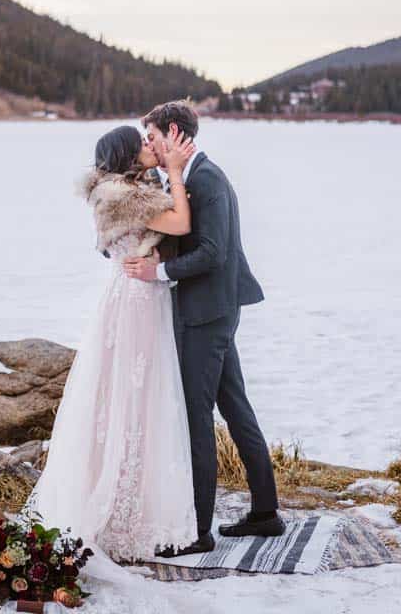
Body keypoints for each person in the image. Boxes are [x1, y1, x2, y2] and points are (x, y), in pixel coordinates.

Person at [26, 123, 199, 560]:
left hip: (138, 294)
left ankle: (136, 500)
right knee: (134, 396)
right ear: (125, 154)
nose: (148, 146)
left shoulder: (125, 191)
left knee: (136, 396)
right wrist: (175, 172)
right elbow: (180, 222)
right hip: (137, 300)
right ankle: (124, 511)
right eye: (140, 143)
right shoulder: (122, 196)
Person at [124, 100, 283, 557]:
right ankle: (265, 512)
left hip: (207, 314)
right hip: (214, 309)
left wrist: (157, 272)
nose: (150, 145)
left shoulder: (207, 179)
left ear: (174, 133)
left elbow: (213, 252)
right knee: (235, 407)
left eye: (153, 137)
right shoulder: (189, 177)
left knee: (197, 418)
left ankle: (198, 531)